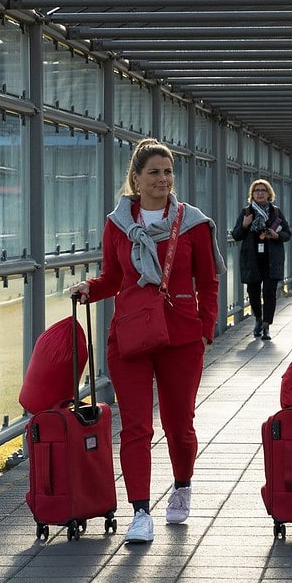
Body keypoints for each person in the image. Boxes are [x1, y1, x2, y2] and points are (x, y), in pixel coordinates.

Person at [70, 138, 226, 544]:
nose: (163, 179)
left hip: (181, 338)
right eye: (154, 173)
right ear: (136, 179)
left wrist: (206, 330)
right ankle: (140, 511)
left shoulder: (192, 223)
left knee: (179, 423)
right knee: (135, 427)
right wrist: (89, 287)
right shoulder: (118, 224)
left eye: (168, 172)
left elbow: (208, 283)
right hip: (131, 337)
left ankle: (182, 485)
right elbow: (112, 279)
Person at [231, 179, 292, 341]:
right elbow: (236, 235)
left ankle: (266, 325)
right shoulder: (247, 212)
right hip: (252, 260)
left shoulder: (275, 212)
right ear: (252, 194)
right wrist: (244, 225)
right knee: (253, 292)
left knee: (269, 292)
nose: (259, 193)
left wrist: (277, 235)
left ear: (268, 193)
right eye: (256, 190)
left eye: (263, 190)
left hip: (272, 260)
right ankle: (258, 319)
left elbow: (287, 234)